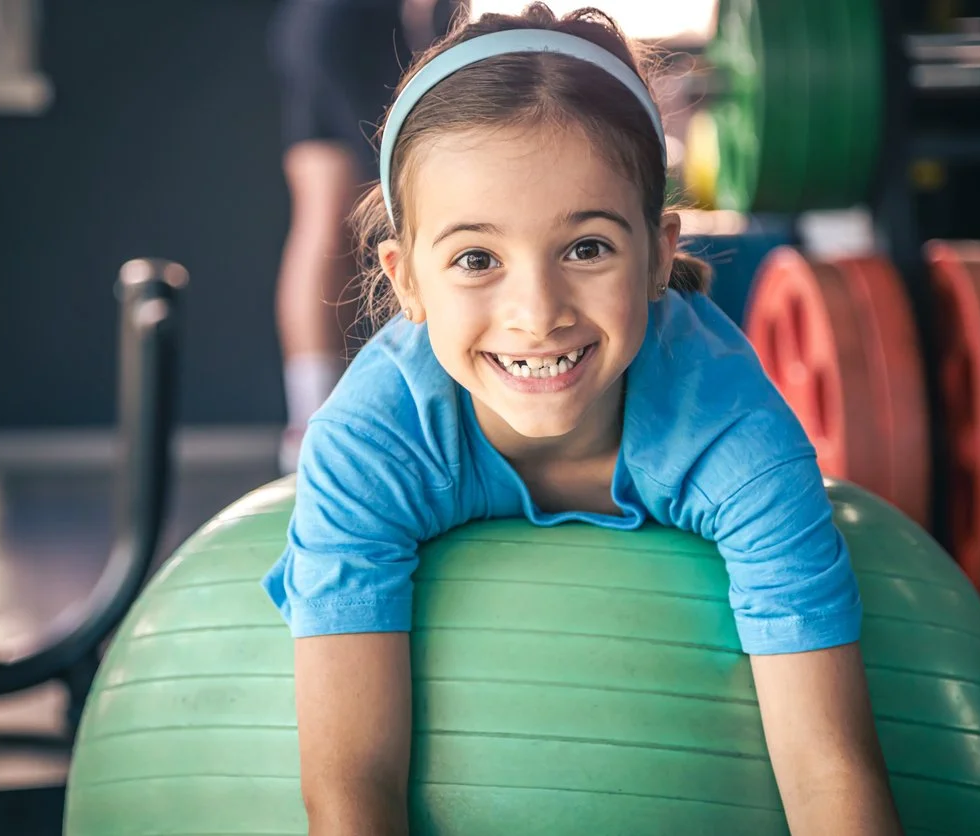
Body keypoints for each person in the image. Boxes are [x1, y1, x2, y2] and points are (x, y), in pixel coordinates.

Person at [263, 4, 904, 834]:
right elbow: (352, 789)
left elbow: (829, 773)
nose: (537, 314)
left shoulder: (736, 436)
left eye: (587, 247)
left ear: (660, 253)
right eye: (475, 259)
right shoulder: (368, 444)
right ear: (406, 279)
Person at [267, 0, 416, 474]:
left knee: (322, 218)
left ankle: (310, 424)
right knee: (405, 203)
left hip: (318, 26)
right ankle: (316, 424)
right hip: (358, 27)